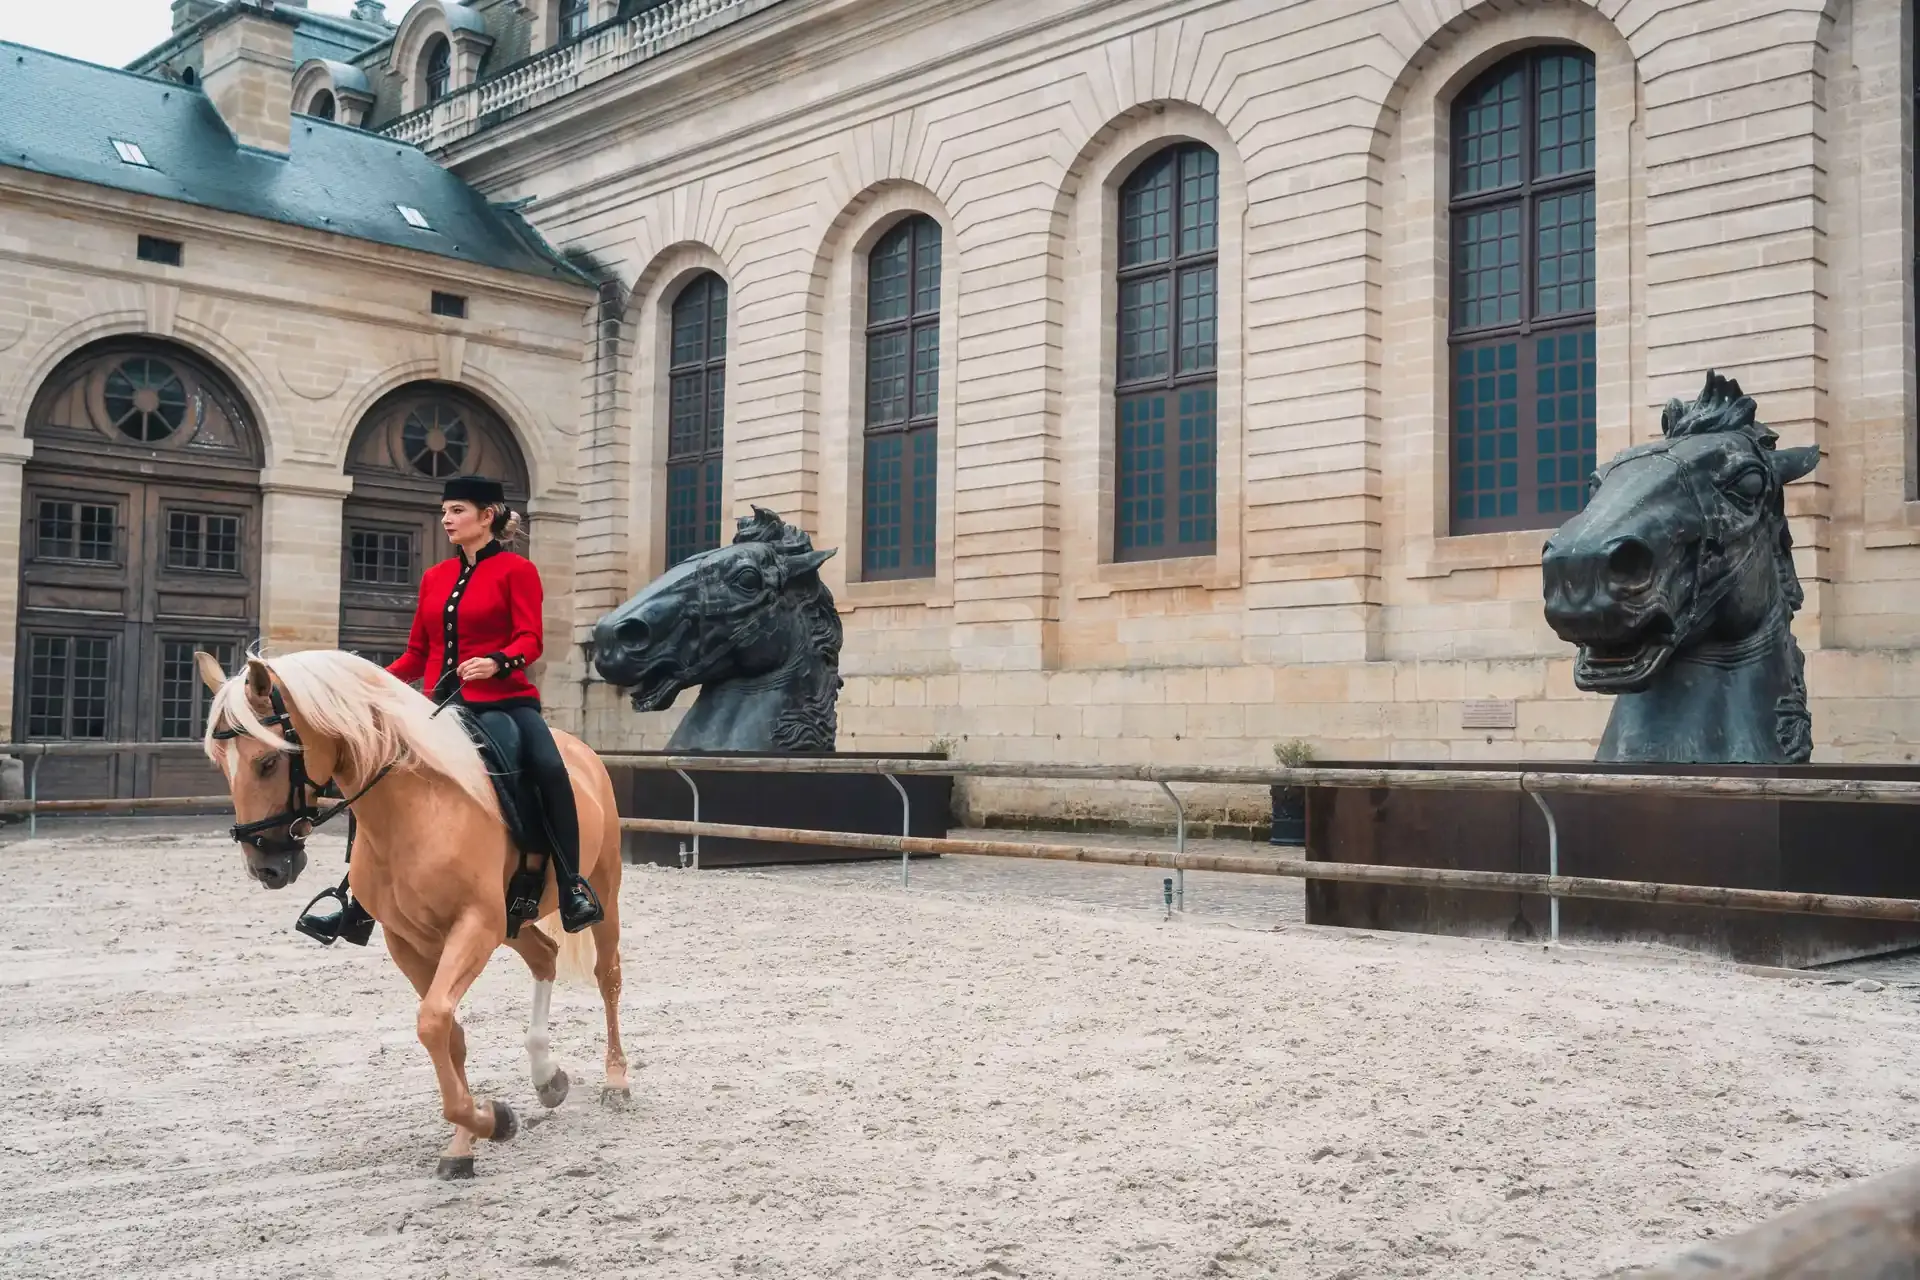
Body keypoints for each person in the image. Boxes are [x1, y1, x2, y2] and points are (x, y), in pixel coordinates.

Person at [305, 475, 603, 941]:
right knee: (375, 777)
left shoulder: (517, 571)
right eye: (445, 510)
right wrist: (369, 685)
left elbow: (532, 640)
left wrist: (497, 662)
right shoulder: (434, 578)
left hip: (504, 701)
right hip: (440, 707)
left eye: (458, 510)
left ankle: (571, 885)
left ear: (488, 516)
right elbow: (417, 655)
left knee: (547, 767)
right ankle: (357, 901)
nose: (447, 518)